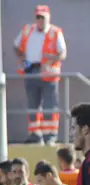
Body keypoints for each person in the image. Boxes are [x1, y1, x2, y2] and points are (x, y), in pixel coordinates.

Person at [13, 5, 66, 145]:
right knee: (32, 105)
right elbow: (16, 46)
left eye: (43, 17)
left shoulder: (55, 32)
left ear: (48, 17)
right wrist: (23, 58)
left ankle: (50, 136)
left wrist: (51, 61)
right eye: (38, 17)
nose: (40, 20)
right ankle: (35, 135)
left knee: (50, 106)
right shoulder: (27, 30)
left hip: (49, 73)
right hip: (31, 71)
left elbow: (62, 53)